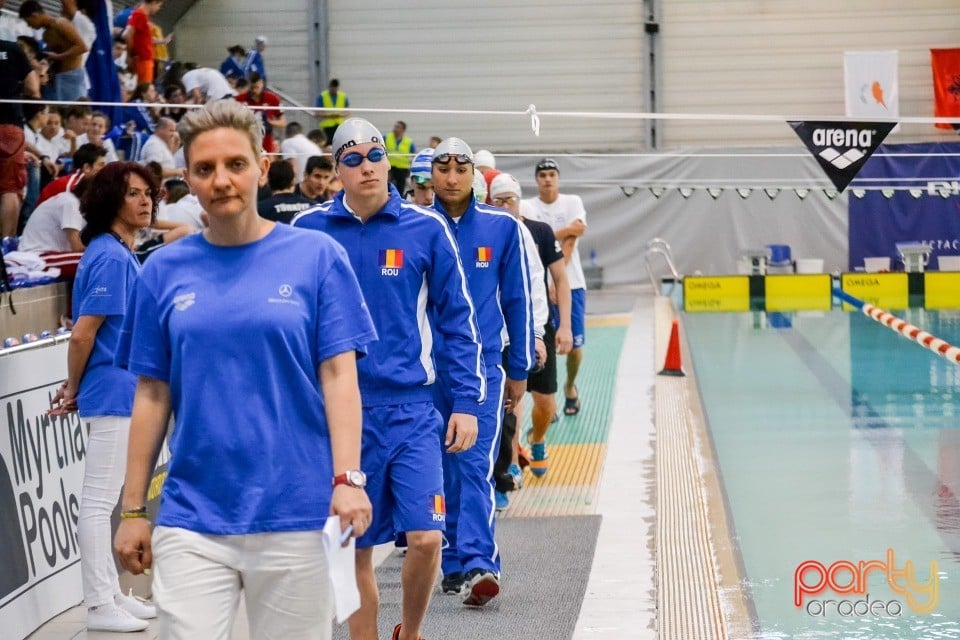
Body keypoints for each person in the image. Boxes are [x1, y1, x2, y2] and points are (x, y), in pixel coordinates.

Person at [112, 99, 376, 640]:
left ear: (260, 164)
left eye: (235, 164)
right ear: (186, 178)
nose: (222, 180)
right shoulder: (162, 270)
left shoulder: (316, 257)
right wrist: (133, 508)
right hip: (193, 517)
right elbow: (152, 394)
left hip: (298, 515)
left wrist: (348, 478)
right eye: (205, 169)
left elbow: (339, 378)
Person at [292, 118, 484, 640]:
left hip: (412, 410)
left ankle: (412, 633)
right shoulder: (308, 232)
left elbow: (456, 322)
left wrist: (465, 401)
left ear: (387, 161)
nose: (367, 166)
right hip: (340, 415)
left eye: (374, 155)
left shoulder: (425, 228)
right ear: (337, 170)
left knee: (426, 537)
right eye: (352, 159)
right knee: (353, 550)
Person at [47, 162, 162, 632]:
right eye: (133, 193)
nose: (145, 201)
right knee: (97, 504)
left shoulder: (117, 252)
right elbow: (83, 334)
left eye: (148, 193)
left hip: (123, 389)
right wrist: (73, 387)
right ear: (111, 201)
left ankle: (112, 593)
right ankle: (98, 604)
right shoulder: (110, 257)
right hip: (112, 391)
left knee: (108, 501)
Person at [430, 138, 535, 606]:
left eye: (461, 168)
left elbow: (518, 300)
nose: (452, 177)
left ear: (476, 174)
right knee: (442, 466)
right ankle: (452, 560)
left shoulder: (501, 229)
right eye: (443, 167)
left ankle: (479, 563)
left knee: (472, 463)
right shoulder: (416, 226)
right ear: (430, 175)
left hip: (483, 369)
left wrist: (520, 368)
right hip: (427, 372)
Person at [490, 173, 573, 490]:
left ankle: (537, 438)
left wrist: (562, 326)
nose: (505, 205)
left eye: (510, 198)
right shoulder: (489, 233)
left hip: (538, 327)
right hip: (508, 332)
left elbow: (558, 281)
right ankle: (511, 465)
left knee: (546, 404)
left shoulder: (537, 232)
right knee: (515, 398)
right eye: (498, 200)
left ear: (519, 200)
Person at [523, 158, 588, 417]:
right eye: (542, 175)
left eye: (552, 174)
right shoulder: (528, 206)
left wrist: (555, 278)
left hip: (570, 284)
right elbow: (559, 235)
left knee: (574, 347)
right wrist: (563, 232)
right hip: (540, 288)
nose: (547, 179)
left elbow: (571, 241)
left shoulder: (572, 202)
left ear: (558, 178)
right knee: (545, 342)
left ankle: (570, 385)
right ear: (536, 179)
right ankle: (548, 397)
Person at [0, 38, 38, 238]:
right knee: (9, 188)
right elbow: (33, 89)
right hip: (9, 126)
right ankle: (5, 245)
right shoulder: (12, 49)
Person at [18, 1, 88, 102]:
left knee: (73, 111)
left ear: (35, 16)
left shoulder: (61, 24)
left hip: (72, 76)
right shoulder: (45, 35)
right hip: (56, 78)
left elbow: (82, 47)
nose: (29, 26)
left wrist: (58, 57)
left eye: (29, 22)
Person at [37, 143, 107, 207]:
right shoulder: (71, 186)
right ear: (87, 168)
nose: (105, 168)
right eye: (101, 165)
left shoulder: (90, 183)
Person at [237, 71, 283, 153]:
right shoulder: (240, 99)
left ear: (262, 84)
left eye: (257, 87)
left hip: (266, 141)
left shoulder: (272, 98)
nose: (254, 90)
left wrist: (269, 122)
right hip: (246, 140)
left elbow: (283, 122)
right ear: (248, 86)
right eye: (252, 88)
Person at [122, 0, 164, 84]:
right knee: (144, 91)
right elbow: (126, 34)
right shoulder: (139, 14)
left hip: (144, 60)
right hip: (143, 61)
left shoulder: (142, 16)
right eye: (159, 6)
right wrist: (129, 55)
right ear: (153, 2)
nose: (158, 9)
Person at [385, 120, 416, 195]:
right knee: (385, 185)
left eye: (398, 127)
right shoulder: (386, 137)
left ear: (403, 130)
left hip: (402, 168)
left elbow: (414, 154)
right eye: (395, 126)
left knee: (400, 188)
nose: (395, 128)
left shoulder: (409, 142)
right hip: (389, 167)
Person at [316, 78, 349, 144]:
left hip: (339, 125)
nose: (334, 90)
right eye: (333, 88)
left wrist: (339, 115)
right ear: (330, 87)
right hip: (327, 127)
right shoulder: (322, 96)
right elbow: (317, 113)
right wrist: (329, 116)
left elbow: (347, 111)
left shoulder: (343, 96)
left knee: (339, 144)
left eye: (336, 88)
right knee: (328, 146)